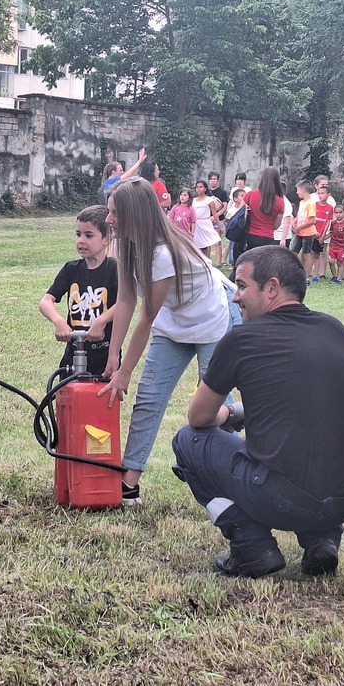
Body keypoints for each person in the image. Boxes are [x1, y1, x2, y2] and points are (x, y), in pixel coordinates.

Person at [172, 246, 344, 578]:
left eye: (241, 285)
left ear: (272, 288)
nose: (235, 297)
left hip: (285, 501)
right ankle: (322, 538)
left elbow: (199, 418)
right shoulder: (334, 329)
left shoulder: (242, 339)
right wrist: (240, 412)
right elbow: (301, 403)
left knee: (188, 442)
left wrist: (227, 415)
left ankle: (252, 549)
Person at [99, 178, 240, 507]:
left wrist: (125, 372)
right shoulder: (127, 243)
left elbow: (145, 317)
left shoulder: (162, 252)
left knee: (211, 407)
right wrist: (113, 357)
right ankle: (129, 484)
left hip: (213, 318)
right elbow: (126, 301)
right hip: (173, 321)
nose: (108, 220)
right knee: (149, 399)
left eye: (115, 213)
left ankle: (234, 478)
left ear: (134, 215)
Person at [39, 205, 119, 376]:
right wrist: (58, 321)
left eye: (88, 235)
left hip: (104, 357)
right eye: (78, 234)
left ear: (107, 239)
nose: (81, 240)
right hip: (72, 357)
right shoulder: (71, 269)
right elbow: (46, 301)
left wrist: (101, 321)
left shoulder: (114, 270)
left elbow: (125, 303)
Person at [242, 166, 285, 253]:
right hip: (267, 238)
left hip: (249, 236)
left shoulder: (249, 195)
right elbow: (276, 226)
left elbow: (241, 215)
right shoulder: (280, 202)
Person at [289, 180, 317, 282]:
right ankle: (294, 273)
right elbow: (300, 215)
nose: (297, 192)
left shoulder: (311, 203)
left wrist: (299, 228)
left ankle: (306, 277)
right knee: (293, 252)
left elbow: (312, 220)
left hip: (308, 233)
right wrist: (294, 222)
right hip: (300, 233)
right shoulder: (302, 202)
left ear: (303, 190)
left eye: (298, 190)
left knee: (306, 253)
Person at [309, 178, 335, 283]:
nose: (320, 195)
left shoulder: (329, 208)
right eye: (319, 193)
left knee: (320, 253)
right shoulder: (314, 205)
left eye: (323, 193)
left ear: (328, 195)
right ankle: (309, 273)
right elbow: (312, 220)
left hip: (322, 235)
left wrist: (323, 235)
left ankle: (318, 274)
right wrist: (315, 232)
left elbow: (328, 222)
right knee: (311, 252)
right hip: (313, 233)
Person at [191, 179, 223, 260]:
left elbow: (214, 213)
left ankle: (207, 262)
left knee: (205, 245)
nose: (198, 189)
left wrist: (219, 226)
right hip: (196, 224)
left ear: (205, 189)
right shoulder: (193, 200)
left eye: (201, 187)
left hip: (205, 223)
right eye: (197, 187)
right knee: (197, 246)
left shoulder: (209, 200)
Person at [327, 204, 344, 284]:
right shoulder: (333, 223)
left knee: (340, 262)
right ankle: (334, 276)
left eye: (340, 212)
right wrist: (323, 238)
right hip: (332, 245)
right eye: (336, 213)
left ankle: (339, 278)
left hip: (341, 246)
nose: (338, 214)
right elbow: (330, 233)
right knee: (331, 261)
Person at [208, 171, 229, 267]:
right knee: (206, 242)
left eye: (214, 179)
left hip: (218, 219)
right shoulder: (206, 192)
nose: (213, 181)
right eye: (211, 179)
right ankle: (207, 261)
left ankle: (219, 263)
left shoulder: (222, 192)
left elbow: (224, 207)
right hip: (207, 220)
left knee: (217, 241)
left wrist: (215, 216)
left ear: (218, 180)